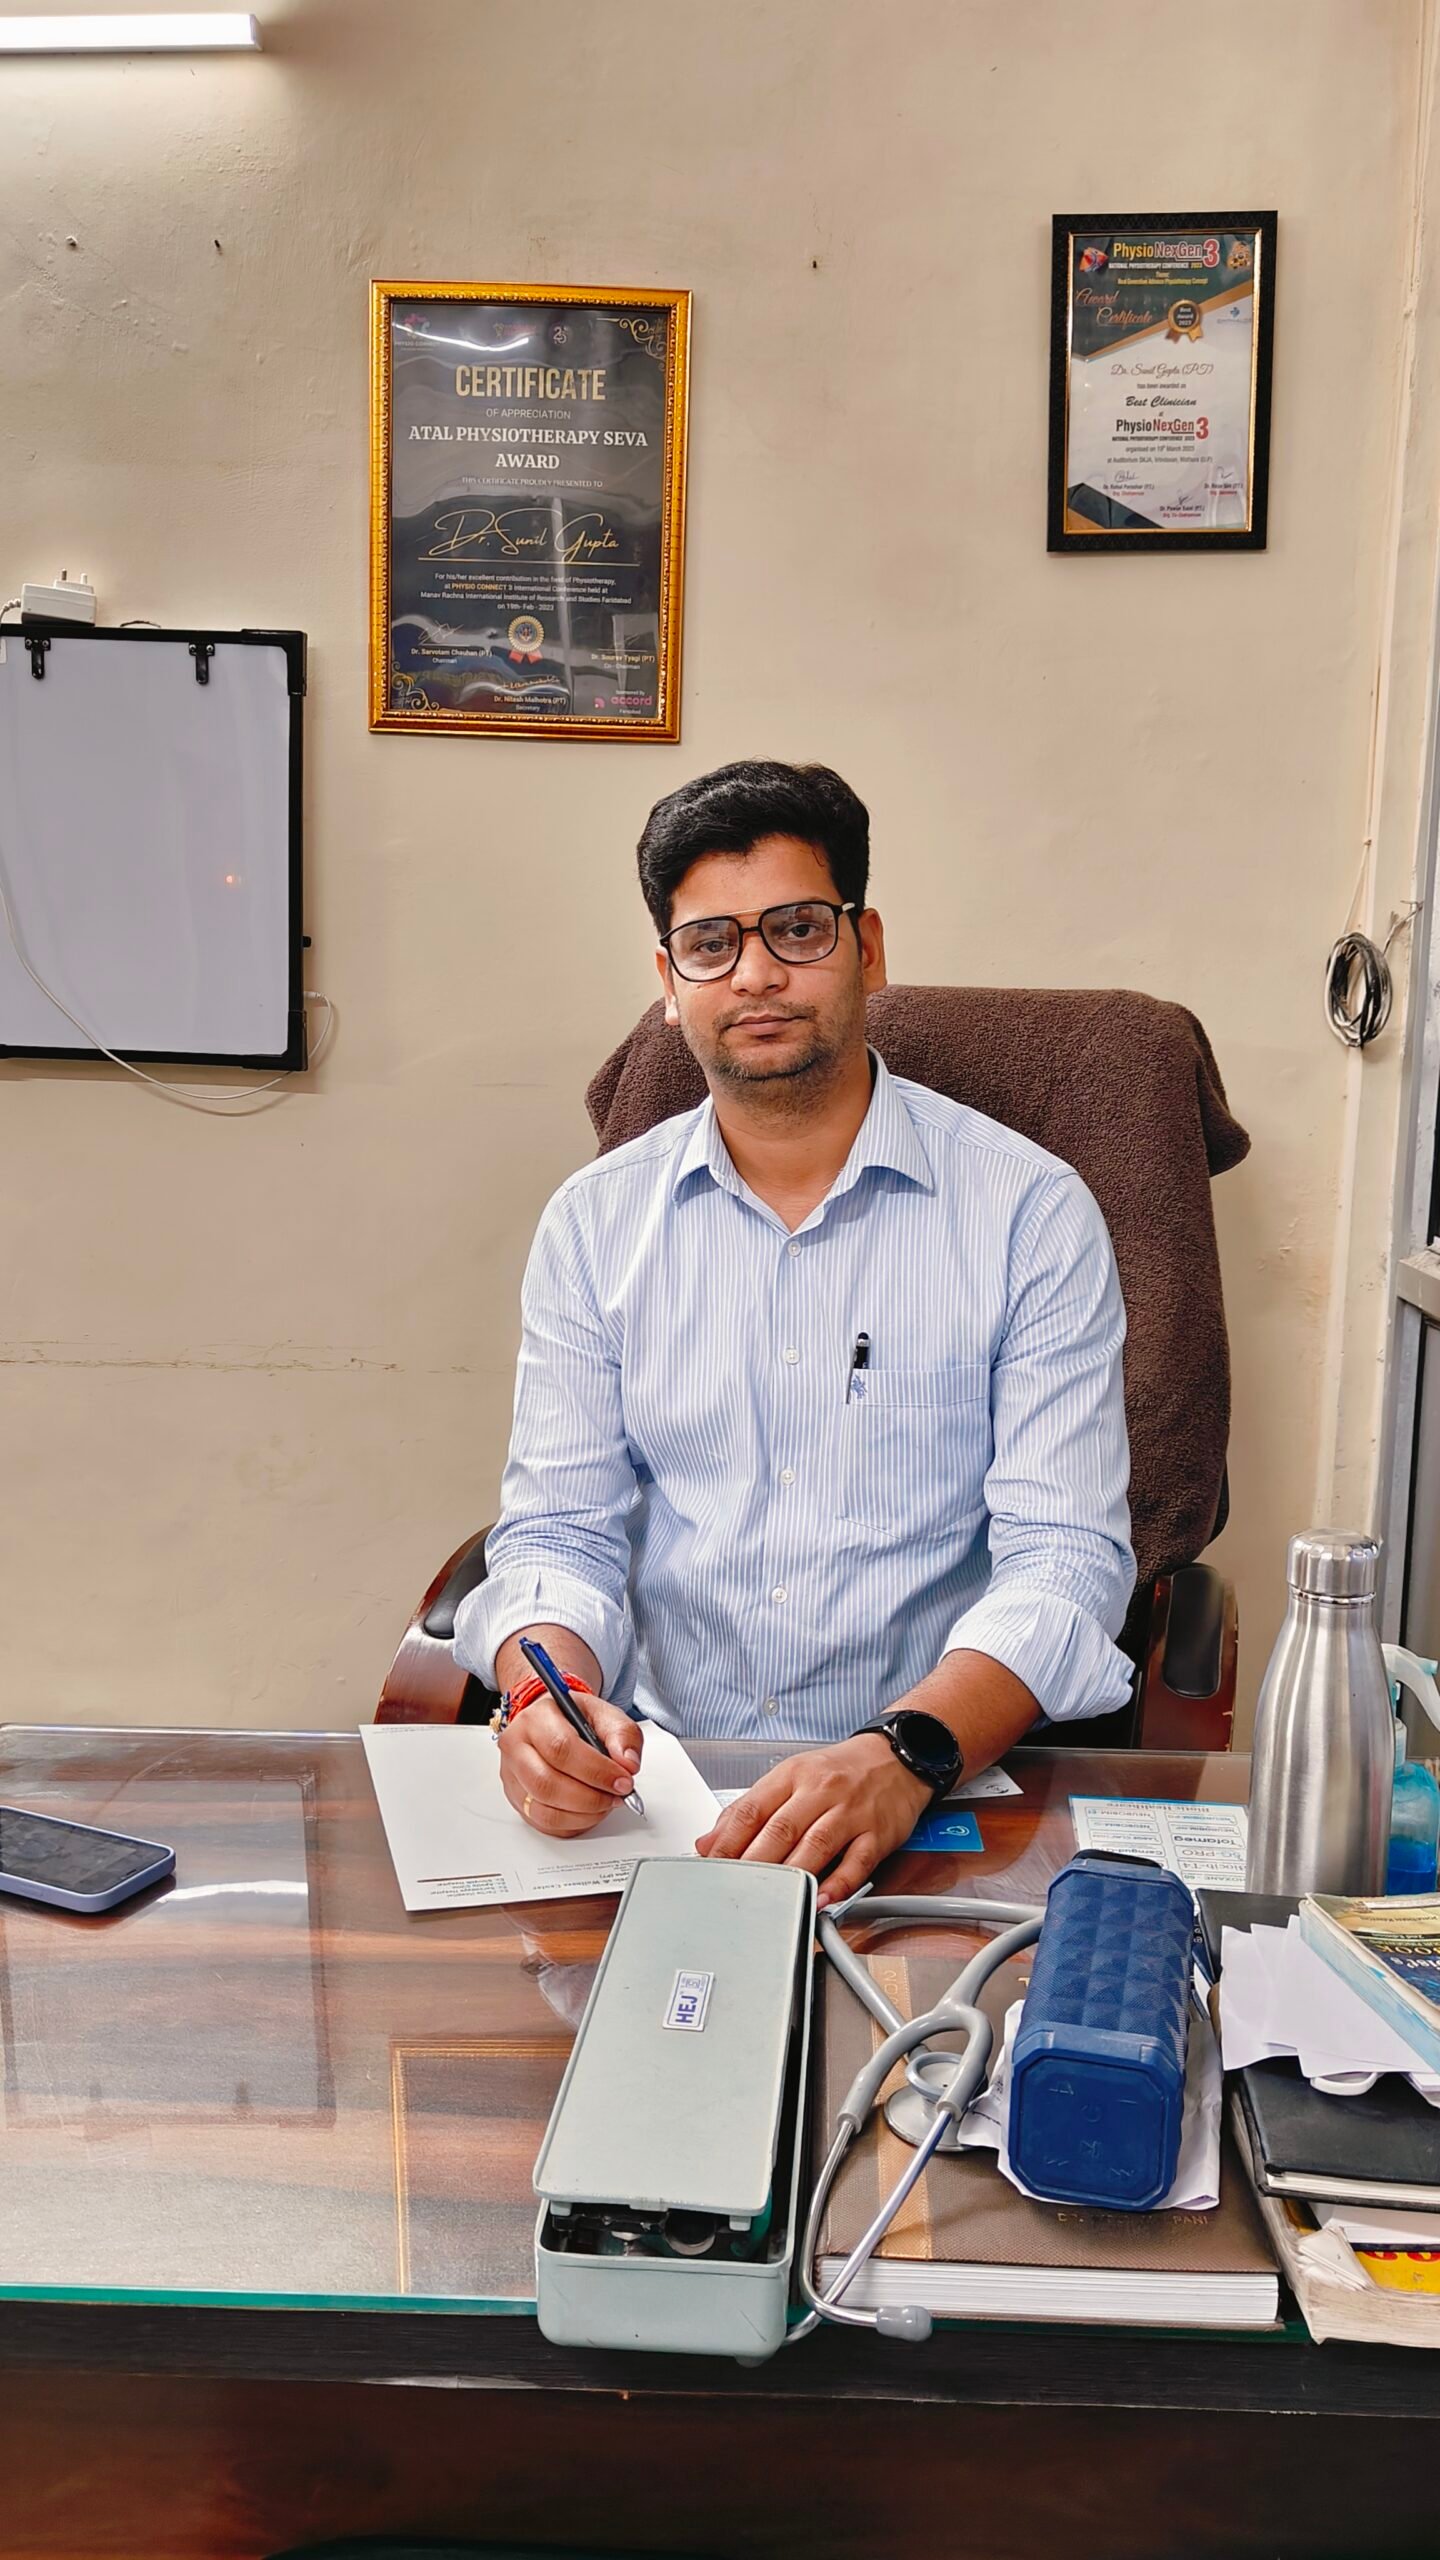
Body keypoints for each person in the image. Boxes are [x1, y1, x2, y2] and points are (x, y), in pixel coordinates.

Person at [455, 760, 1135, 1904]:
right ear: (669, 982)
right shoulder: (593, 1225)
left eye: (798, 929)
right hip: (660, 1793)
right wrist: (543, 1701)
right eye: (710, 942)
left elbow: (1066, 1562)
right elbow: (560, 1533)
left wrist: (903, 1753)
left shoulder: (1029, 1213)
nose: (756, 972)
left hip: (937, 1796)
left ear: (867, 948)